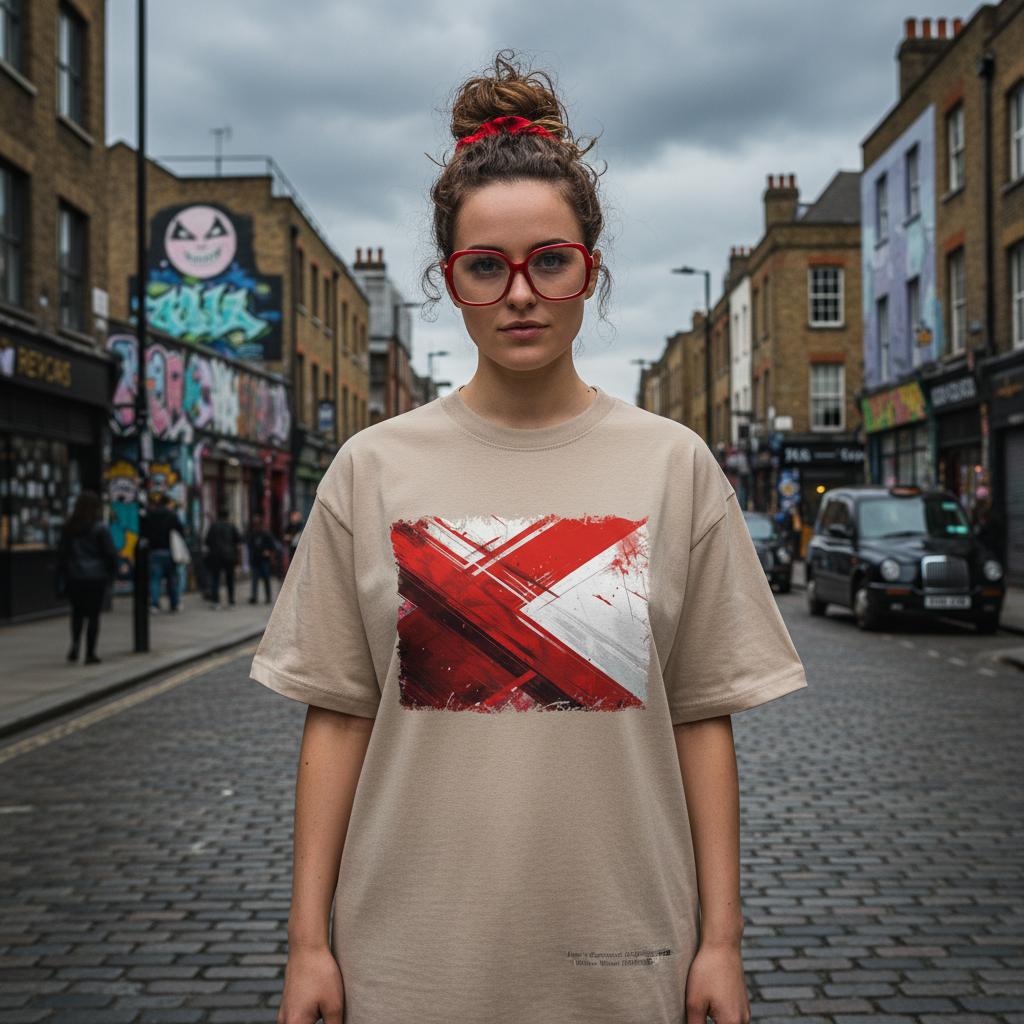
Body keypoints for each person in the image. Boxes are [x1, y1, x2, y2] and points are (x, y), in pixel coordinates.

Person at [249, 50, 807, 1024]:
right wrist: (308, 946)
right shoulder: (370, 470)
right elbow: (337, 718)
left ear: (589, 268)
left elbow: (699, 719)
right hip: (405, 968)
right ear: (448, 278)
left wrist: (721, 941)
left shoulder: (672, 468)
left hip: (626, 963)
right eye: (485, 266)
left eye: (550, 260)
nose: (520, 292)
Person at [56, 490, 117, 665]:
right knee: (93, 616)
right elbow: (110, 553)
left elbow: (62, 553)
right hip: (96, 578)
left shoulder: (69, 527)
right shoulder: (100, 527)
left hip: (74, 576)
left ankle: (75, 646)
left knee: (76, 613)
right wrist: (112, 573)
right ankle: (90, 653)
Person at [141, 491, 186, 613]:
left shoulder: (150, 514)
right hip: (170, 551)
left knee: (155, 579)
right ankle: (174, 603)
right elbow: (180, 531)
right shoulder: (172, 515)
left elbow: (143, 532)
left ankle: (154, 604)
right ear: (168, 503)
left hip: (154, 551)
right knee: (172, 579)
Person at [204, 505, 242, 608]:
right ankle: (231, 601)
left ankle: (216, 602)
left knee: (215, 579)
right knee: (230, 579)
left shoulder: (213, 526)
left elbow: (206, 541)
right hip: (229, 556)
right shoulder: (231, 526)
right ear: (227, 516)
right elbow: (238, 541)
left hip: (215, 556)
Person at [246, 513, 277, 604]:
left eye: (257, 524)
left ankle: (268, 596)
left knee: (266, 578)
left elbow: (273, 547)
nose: (256, 526)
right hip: (255, 559)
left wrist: (268, 552)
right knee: (255, 579)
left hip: (264, 560)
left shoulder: (266, 534)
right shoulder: (252, 534)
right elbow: (249, 546)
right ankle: (254, 597)